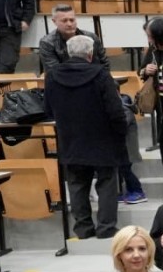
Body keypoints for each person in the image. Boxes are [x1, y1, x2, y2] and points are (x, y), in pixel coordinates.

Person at [44, 34, 129, 240]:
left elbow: (48, 109)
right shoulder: (100, 74)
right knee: (107, 182)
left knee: (77, 184)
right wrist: (121, 130)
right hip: (102, 138)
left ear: (68, 53)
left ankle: (83, 229)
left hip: (70, 139)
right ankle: (106, 227)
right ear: (90, 54)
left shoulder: (53, 75)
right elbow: (115, 109)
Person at [36, 2, 108, 74]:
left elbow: (104, 63)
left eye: (72, 20)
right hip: (63, 82)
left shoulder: (91, 37)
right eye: (64, 21)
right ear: (54, 21)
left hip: (92, 80)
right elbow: (54, 71)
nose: (69, 24)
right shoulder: (47, 43)